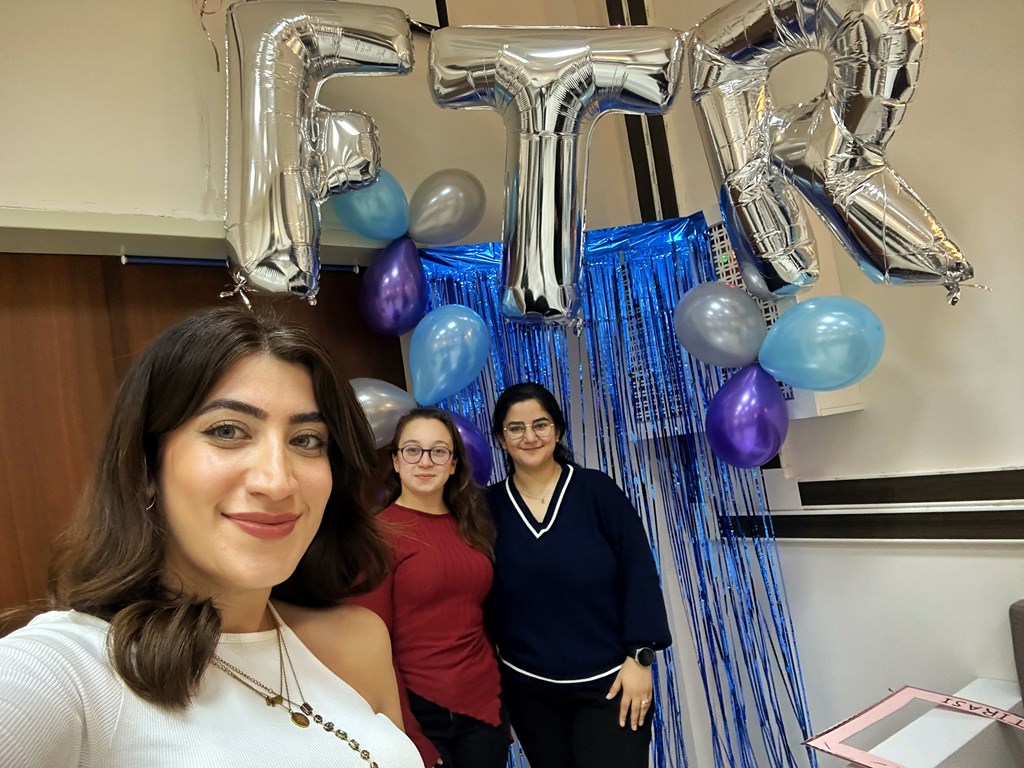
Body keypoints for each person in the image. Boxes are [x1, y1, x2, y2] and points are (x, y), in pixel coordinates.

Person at [0, 305, 422, 767]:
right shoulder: (70, 667)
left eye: (306, 440)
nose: (277, 482)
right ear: (146, 468)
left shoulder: (358, 639)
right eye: (227, 431)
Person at [484, 382, 672, 768]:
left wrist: (640, 658)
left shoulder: (595, 490)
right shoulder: (485, 507)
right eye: (516, 428)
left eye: (541, 424)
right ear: (501, 439)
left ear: (557, 431)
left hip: (611, 685)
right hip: (529, 691)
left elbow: (638, 570)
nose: (530, 436)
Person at [350, 408, 509, 768]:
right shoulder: (378, 536)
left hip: (486, 707)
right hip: (421, 713)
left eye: (438, 451)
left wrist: (502, 707)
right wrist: (408, 731)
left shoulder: (472, 525)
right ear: (395, 461)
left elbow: (483, 619)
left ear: (453, 464)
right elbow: (370, 646)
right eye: (412, 450)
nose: (425, 462)